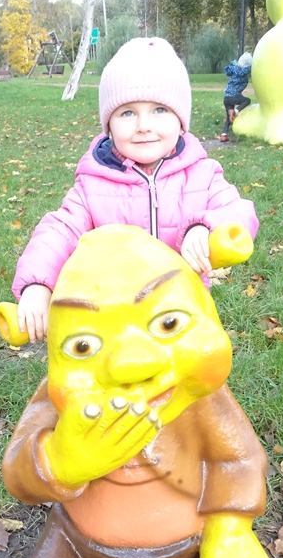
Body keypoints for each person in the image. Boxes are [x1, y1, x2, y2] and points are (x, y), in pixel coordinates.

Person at [13, 37, 259, 342]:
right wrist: (38, 284)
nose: (143, 125)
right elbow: (59, 231)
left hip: (182, 316)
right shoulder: (93, 185)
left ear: (181, 121)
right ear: (109, 125)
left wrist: (204, 227)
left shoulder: (203, 175)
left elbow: (241, 213)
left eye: (159, 110)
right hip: (115, 324)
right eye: (127, 113)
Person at [220, 52, 253, 142]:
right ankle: (236, 111)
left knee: (229, 117)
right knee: (247, 100)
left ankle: (223, 135)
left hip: (226, 97)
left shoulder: (234, 69)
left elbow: (229, 70)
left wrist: (235, 64)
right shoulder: (243, 72)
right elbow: (250, 68)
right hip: (234, 96)